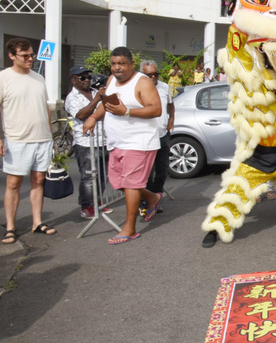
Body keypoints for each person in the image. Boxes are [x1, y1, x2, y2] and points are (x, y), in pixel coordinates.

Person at [83, 48, 163, 245]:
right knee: (118, 183)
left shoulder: (142, 82)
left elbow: (156, 109)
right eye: (114, 64)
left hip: (139, 142)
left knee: (130, 184)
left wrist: (126, 111)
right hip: (116, 142)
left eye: (121, 63)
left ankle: (130, 228)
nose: (117, 67)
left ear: (130, 64)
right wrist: (93, 117)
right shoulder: (111, 80)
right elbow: (106, 102)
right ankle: (151, 198)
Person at [0, 38, 57, 244]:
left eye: (32, 55)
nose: (30, 58)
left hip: (42, 138)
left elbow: (45, 108)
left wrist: (51, 135)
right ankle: (10, 227)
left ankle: (37, 222)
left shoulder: (38, 78)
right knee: (13, 183)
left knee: (39, 180)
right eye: (25, 56)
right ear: (12, 56)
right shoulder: (3, 78)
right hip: (17, 138)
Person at [65, 65, 113, 219]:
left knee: (101, 174)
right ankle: (86, 206)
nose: (87, 80)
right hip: (85, 142)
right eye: (82, 78)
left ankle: (98, 202)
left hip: (102, 139)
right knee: (88, 176)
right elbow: (81, 115)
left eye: (88, 77)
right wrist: (97, 100)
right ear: (74, 80)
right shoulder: (72, 97)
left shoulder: (95, 92)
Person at [141, 61, 174, 197]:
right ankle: (146, 200)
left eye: (156, 74)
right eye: (149, 75)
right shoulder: (137, 88)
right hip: (145, 136)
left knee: (162, 170)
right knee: (147, 172)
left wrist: (171, 119)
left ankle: (156, 196)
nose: (153, 77)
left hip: (162, 134)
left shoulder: (165, 87)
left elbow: (171, 105)